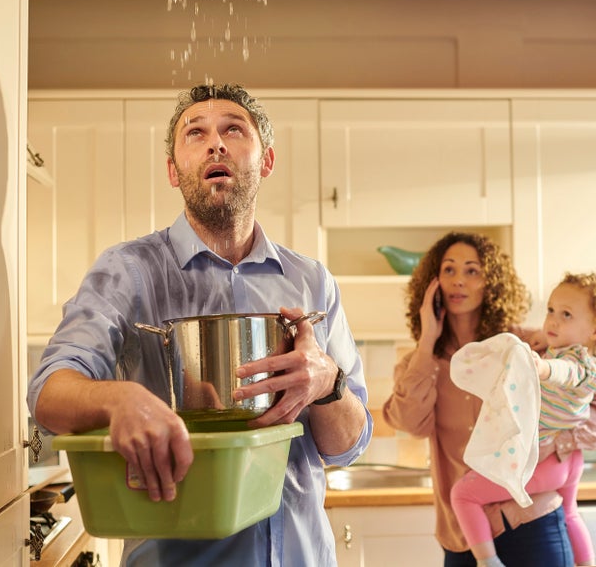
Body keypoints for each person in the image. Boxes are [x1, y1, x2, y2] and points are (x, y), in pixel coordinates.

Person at [28, 83, 372, 567]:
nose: (216, 143)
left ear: (266, 161)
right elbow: (47, 394)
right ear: (174, 170)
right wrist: (121, 399)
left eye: (234, 129)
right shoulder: (128, 272)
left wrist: (328, 383)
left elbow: (346, 448)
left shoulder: (313, 282)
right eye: (196, 133)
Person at [383, 232, 596, 567]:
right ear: (432, 284)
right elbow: (409, 424)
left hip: (532, 520)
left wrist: (554, 441)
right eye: (448, 270)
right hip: (464, 534)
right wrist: (427, 342)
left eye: (472, 271)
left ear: (491, 283)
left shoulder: (525, 347)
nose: (459, 281)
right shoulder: (421, 364)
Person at [449, 271, 596, 567]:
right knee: (570, 513)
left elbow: (566, 372)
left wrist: (543, 368)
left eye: (567, 314)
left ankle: (487, 561)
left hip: (547, 462)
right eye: (551, 311)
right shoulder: (585, 358)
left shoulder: (578, 365)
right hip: (567, 461)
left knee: (462, 494)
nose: (553, 321)